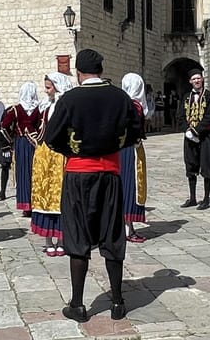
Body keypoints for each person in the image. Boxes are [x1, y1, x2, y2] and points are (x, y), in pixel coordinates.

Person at [44, 48, 140, 323]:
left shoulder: (70, 99)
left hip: (78, 174)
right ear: (100, 69)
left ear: (78, 71)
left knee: (77, 236)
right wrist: (112, 146)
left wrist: (74, 149)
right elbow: (135, 131)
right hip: (110, 172)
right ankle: (118, 302)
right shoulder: (120, 97)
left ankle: (77, 304)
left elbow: (52, 137)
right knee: (111, 234)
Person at [30, 73, 74, 256]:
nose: (46, 91)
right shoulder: (45, 106)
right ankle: (48, 238)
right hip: (45, 156)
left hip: (61, 156)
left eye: (48, 87)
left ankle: (62, 238)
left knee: (61, 196)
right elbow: (31, 125)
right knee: (44, 194)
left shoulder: (67, 107)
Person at [175, 68, 210, 210]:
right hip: (189, 138)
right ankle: (193, 197)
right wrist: (187, 130)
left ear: (202, 79)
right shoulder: (186, 97)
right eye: (194, 79)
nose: (196, 81)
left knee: (206, 166)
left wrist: (196, 131)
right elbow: (180, 115)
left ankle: (206, 199)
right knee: (190, 165)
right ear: (190, 81)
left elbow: (209, 116)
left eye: (198, 78)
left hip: (205, 137)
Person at [0, 82, 42, 216]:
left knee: (23, 173)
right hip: (36, 143)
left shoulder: (15, 109)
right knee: (35, 172)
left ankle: (26, 205)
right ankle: (36, 202)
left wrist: (11, 139)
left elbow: (4, 126)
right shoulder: (39, 108)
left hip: (21, 142)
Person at [120, 73, 149, 242]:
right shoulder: (135, 106)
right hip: (132, 150)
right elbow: (134, 129)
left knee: (124, 186)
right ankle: (128, 229)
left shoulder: (121, 104)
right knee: (132, 186)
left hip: (121, 149)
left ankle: (126, 226)